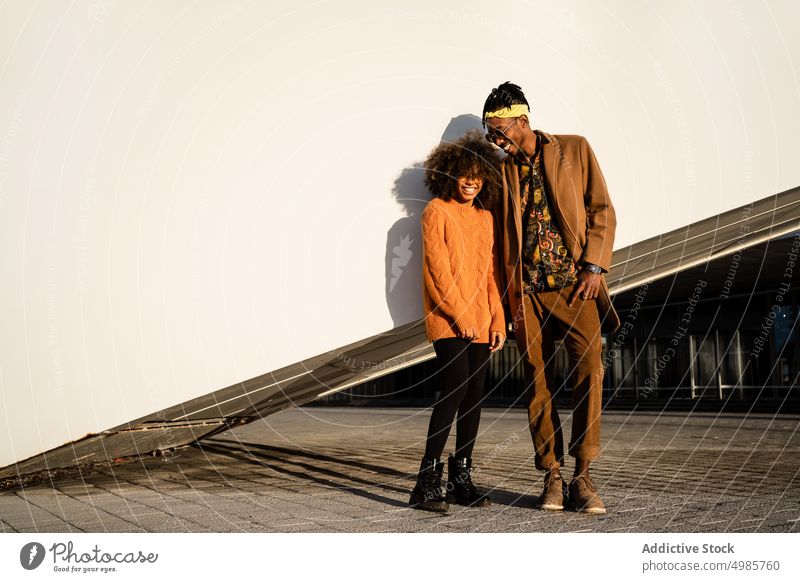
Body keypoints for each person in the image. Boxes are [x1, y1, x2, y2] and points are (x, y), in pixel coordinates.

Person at [482, 82, 620, 514]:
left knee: (590, 371)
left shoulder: (574, 149)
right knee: (536, 383)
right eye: (490, 134)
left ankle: (583, 475)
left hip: (574, 285)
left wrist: (594, 266)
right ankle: (552, 477)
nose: (496, 140)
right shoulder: (500, 170)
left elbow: (602, 210)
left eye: (500, 130)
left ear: (523, 121)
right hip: (525, 292)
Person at [409, 131, 507, 512]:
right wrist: (461, 315)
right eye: (464, 174)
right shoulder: (436, 211)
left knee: (473, 397)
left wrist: (496, 319)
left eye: (478, 175)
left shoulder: (485, 218)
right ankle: (426, 482)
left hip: (481, 321)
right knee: (452, 391)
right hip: (448, 320)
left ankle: (461, 477)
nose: (471, 181)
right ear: (448, 174)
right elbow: (437, 272)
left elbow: (490, 274)